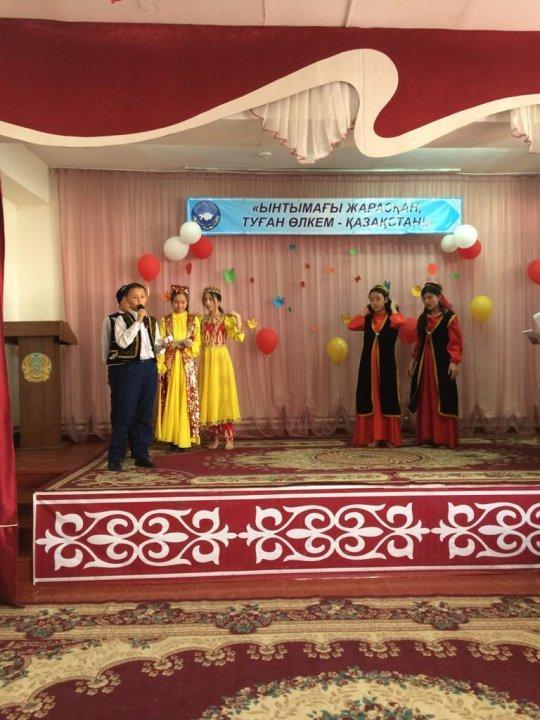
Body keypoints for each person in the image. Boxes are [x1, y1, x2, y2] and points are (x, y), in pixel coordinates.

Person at [106, 282, 163, 471]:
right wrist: (138, 321)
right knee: (124, 412)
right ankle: (115, 456)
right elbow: (123, 342)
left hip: (149, 368)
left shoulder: (152, 321)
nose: (139, 300)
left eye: (142, 297)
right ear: (127, 300)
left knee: (145, 413)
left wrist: (166, 345)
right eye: (135, 297)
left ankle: (141, 454)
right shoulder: (120, 320)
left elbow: (156, 346)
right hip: (129, 369)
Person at [347, 284, 405, 447]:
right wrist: (362, 313)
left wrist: (393, 308)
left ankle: (389, 437)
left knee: (387, 396)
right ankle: (373, 436)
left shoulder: (392, 317)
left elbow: (400, 322)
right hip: (368, 365)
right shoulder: (368, 318)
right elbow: (351, 326)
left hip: (386, 364)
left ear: (385, 299)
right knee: (370, 397)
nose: (374, 302)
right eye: (371, 300)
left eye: (378, 299)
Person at [407, 282, 462, 449]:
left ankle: (443, 438)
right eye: (424, 298)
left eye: (430, 297)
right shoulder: (423, 319)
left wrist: (454, 361)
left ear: (439, 297)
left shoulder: (449, 317)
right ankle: (427, 436)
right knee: (426, 397)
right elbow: (419, 343)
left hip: (442, 363)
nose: (427, 301)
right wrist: (413, 361)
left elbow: (455, 342)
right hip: (425, 365)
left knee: (442, 397)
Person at [156, 285, 201, 451]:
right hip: (170, 365)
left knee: (186, 399)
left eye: (183, 302)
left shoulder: (193, 320)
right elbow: (159, 344)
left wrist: (190, 345)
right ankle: (171, 437)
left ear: (187, 303)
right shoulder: (165, 320)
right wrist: (160, 366)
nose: (180, 305)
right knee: (171, 398)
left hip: (186, 364)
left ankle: (185, 437)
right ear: (172, 303)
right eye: (176, 302)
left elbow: (198, 342)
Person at [198, 286, 244, 450]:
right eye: (205, 299)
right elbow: (198, 341)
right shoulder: (201, 320)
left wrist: (238, 317)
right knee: (210, 396)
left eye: (211, 299)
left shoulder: (225, 319)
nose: (208, 302)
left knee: (224, 396)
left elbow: (238, 336)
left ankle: (229, 438)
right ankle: (215, 437)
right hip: (207, 359)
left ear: (218, 300)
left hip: (221, 359)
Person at [101, 284, 135, 460]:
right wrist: (110, 370)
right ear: (121, 301)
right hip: (119, 370)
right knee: (120, 410)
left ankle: (135, 447)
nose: (130, 303)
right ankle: (118, 449)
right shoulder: (111, 320)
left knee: (136, 410)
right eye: (126, 299)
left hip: (136, 371)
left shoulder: (140, 319)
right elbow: (106, 347)